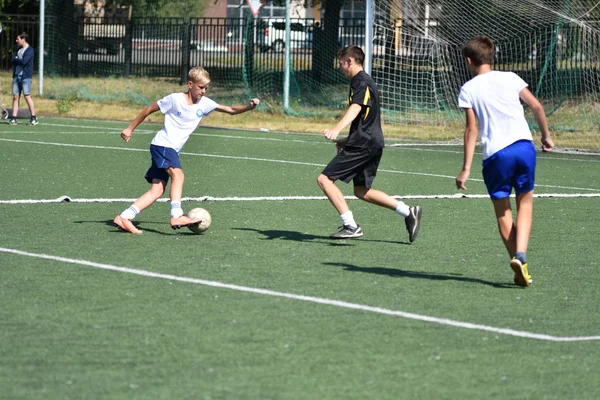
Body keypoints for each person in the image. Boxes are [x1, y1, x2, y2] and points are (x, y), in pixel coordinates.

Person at [455, 35, 554, 287]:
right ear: (491, 57)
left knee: (503, 213)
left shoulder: (468, 89)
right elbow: (537, 106)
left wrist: (466, 169)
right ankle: (520, 255)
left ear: (469, 60)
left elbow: (471, 130)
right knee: (526, 204)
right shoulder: (511, 77)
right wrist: (546, 136)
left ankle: (520, 262)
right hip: (524, 147)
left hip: (497, 155)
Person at [113, 66, 260, 234]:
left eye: (206, 88)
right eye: (201, 87)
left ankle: (125, 217)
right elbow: (148, 110)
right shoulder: (175, 99)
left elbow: (231, 110)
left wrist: (249, 107)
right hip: (162, 145)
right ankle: (177, 215)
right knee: (179, 175)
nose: (204, 91)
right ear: (190, 84)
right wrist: (130, 129)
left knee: (157, 189)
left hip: (169, 149)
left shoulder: (204, 104)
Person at [318, 46, 422, 242]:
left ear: (350, 60)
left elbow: (357, 107)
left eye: (342, 64)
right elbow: (368, 118)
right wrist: (347, 140)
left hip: (364, 144)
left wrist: (337, 129)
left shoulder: (362, 82)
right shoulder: (361, 82)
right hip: (369, 142)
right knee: (361, 191)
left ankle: (351, 226)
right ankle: (408, 212)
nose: (341, 68)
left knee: (324, 180)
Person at [9, 32, 38, 126]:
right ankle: (14, 118)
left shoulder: (30, 50)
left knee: (27, 96)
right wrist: (16, 59)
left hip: (25, 77)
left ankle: (33, 117)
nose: (16, 41)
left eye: (18, 39)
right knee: (15, 97)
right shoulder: (18, 50)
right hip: (16, 76)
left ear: (23, 39)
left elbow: (24, 62)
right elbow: (12, 60)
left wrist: (17, 59)